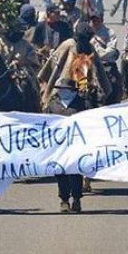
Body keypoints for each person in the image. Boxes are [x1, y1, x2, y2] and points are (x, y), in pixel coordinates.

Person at [46, 77, 86, 213]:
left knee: (75, 171)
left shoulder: (82, 103)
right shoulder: (53, 104)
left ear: (72, 90)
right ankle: (64, 199)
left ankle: (76, 198)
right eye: (60, 89)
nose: (62, 92)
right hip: (59, 144)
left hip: (76, 143)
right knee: (61, 172)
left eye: (65, 89)